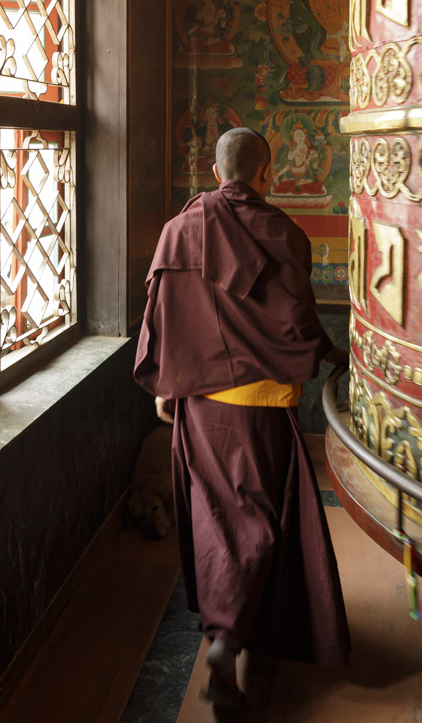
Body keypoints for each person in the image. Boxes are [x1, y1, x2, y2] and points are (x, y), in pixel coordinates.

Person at [134, 127, 350, 707]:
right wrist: (331, 354)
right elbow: (297, 324)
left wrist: (163, 383)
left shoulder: (178, 231)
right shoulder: (285, 233)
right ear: (267, 173)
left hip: (199, 408)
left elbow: (158, 312)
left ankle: (233, 625)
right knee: (258, 523)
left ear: (214, 172)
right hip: (261, 410)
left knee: (215, 520)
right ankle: (229, 638)